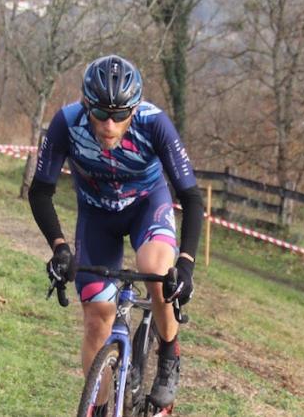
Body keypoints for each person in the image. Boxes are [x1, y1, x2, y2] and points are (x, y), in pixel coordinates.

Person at [28, 55, 203, 410]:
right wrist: (59, 247)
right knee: (96, 317)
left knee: (155, 271)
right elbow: (40, 191)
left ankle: (169, 354)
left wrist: (185, 265)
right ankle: (101, 406)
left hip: (146, 207)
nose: (109, 124)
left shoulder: (155, 124)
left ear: (134, 110)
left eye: (120, 115)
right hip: (97, 215)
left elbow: (191, 198)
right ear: (85, 104)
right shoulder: (66, 123)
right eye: (101, 114)